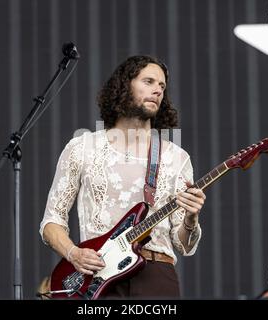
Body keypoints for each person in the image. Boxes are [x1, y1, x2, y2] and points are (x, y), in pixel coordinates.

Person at [39, 55, 206, 298]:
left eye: (162, 86)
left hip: (156, 277)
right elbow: (51, 221)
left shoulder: (176, 157)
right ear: (124, 86)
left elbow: (183, 245)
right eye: (148, 81)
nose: (157, 91)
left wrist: (191, 219)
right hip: (97, 276)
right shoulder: (82, 147)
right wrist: (73, 253)